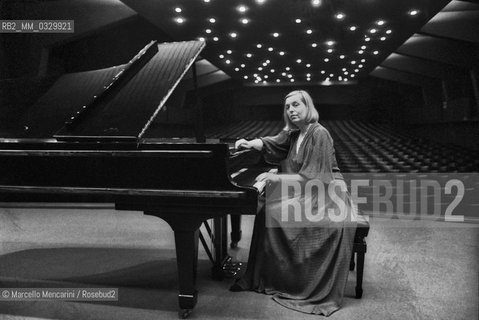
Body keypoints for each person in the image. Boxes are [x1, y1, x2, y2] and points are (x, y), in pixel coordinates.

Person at [230, 90, 357, 316]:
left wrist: (274, 177)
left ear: (307, 106)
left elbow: (315, 178)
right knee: (266, 209)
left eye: (296, 105)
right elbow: (271, 142)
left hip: (327, 197)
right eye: (288, 107)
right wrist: (250, 143)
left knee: (271, 211)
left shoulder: (319, 134)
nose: (291, 110)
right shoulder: (294, 134)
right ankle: (267, 275)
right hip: (308, 193)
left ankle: (290, 280)